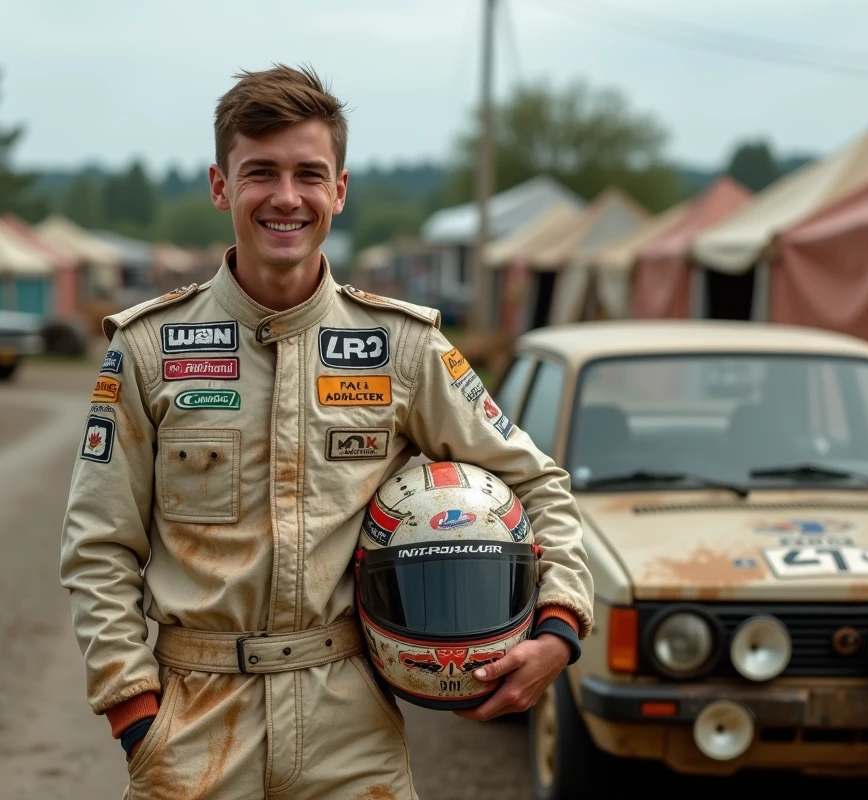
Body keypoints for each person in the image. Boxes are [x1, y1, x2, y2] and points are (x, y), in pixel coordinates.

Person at [59, 64, 594, 800]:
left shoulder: (403, 347)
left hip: (353, 732)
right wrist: (134, 713)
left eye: (310, 174)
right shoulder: (150, 348)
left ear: (339, 190)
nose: (286, 197)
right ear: (221, 187)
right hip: (192, 731)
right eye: (260, 173)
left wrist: (559, 628)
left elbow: (537, 482)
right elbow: (98, 546)